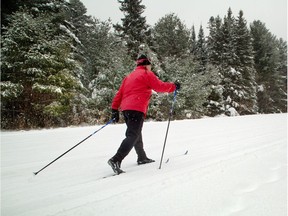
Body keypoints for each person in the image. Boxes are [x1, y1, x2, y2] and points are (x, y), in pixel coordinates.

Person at [108, 54, 180, 174]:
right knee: (133, 135)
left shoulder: (129, 77)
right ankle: (116, 159)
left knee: (136, 133)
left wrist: (114, 110)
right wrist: (174, 87)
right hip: (137, 108)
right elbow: (159, 87)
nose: (151, 67)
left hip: (126, 109)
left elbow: (119, 94)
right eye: (150, 65)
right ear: (146, 64)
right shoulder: (146, 74)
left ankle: (141, 157)